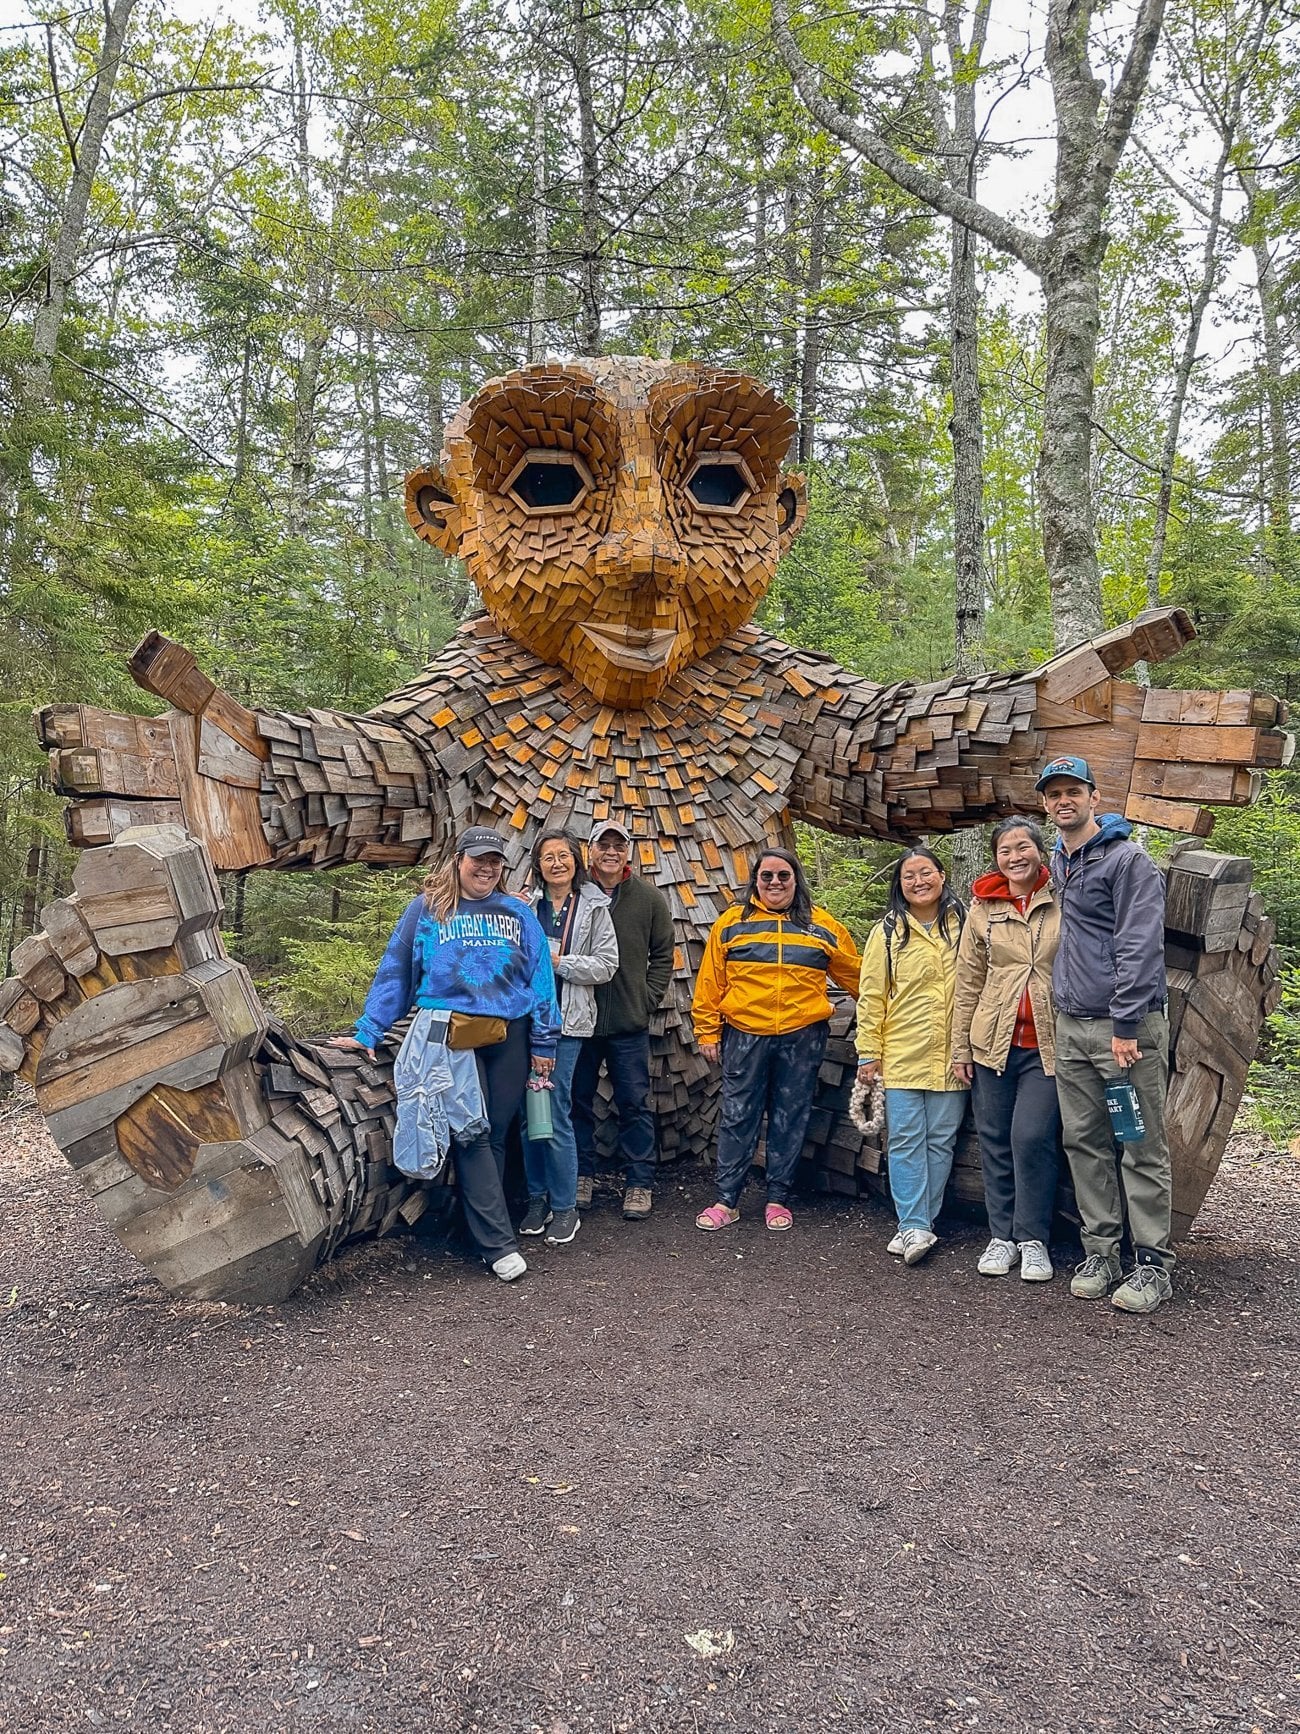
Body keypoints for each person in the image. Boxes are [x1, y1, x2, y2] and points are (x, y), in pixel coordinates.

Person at [332, 826, 560, 1282]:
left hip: (509, 1033)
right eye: (479, 859)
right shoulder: (428, 909)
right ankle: (499, 1245)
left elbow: (540, 979)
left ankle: (472, 1229)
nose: (487, 868)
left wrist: (544, 1040)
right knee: (473, 1133)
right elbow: (397, 969)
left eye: (495, 861)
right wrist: (370, 1029)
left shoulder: (517, 912)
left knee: (496, 1133)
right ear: (459, 861)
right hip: (451, 1034)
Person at [1036, 755, 1175, 1314]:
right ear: (1045, 804)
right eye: (1054, 794)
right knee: (1084, 1142)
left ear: (1095, 796)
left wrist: (1125, 1024)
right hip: (1072, 1026)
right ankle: (1101, 1253)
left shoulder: (1127, 860)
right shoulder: (1061, 858)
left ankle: (1153, 1264)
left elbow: (1140, 944)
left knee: (1139, 1143)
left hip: (1124, 1032)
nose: (1063, 801)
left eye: (1073, 791)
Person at [691, 849, 861, 1232]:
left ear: (796, 878)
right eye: (766, 876)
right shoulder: (732, 923)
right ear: (755, 880)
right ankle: (726, 1200)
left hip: (802, 1036)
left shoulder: (823, 925)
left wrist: (887, 1013)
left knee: (790, 1115)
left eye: (783, 875)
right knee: (738, 1116)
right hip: (744, 1033)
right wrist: (706, 1031)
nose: (775, 883)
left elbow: (858, 977)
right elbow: (710, 982)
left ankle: (777, 1198)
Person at [952, 818, 1061, 1283]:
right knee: (994, 1139)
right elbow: (967, 980)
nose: (1015, 857)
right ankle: (1002, 1237)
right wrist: (960, 1048)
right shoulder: (983, 909)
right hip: (991, 1043)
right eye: (1005, 850)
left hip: (1049, 1044)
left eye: (1023, 847)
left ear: (1040, 850)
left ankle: (1033, 1239)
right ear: (996, 858)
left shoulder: (1062, 897)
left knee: (1031, 1137)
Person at [856, 847, 968, 1265]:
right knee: (904, 1141)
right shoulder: (887, 931)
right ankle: (914, 1224)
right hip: (901, 1053)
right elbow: (871, 995)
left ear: (942, 875)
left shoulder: (966, 923)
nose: (919, 881)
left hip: (953, 1055)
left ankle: (919, 1224)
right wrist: (868, 1052)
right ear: (899, 884)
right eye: (909, 876)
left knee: (941, 1141)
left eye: (926, 872)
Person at [518, 831, 619, 1247]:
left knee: (555, 1110)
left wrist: (558, 962)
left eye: (564, 856)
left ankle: (565, 1207)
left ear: (576, 861)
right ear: (538, 865)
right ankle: (536, 1198)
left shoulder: (594, 906)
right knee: (527, 1114)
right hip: (522, 1023)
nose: (557, 863)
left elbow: (607, 965)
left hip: (568, 1024)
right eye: (548, 857)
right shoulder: (524, 906)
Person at [572, 820, 674, 1220]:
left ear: (628, 852)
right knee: (576, 1101)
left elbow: (663, 953)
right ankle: (581, 1175)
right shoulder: (576, 893)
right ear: (591, 850)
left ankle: (639, 1183)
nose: (611, 852)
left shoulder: (647, 898)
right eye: (604, 845)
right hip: (579, 1021)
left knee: (634, 1104)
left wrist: (646, 999)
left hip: (628, 1022)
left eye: (619, 845)